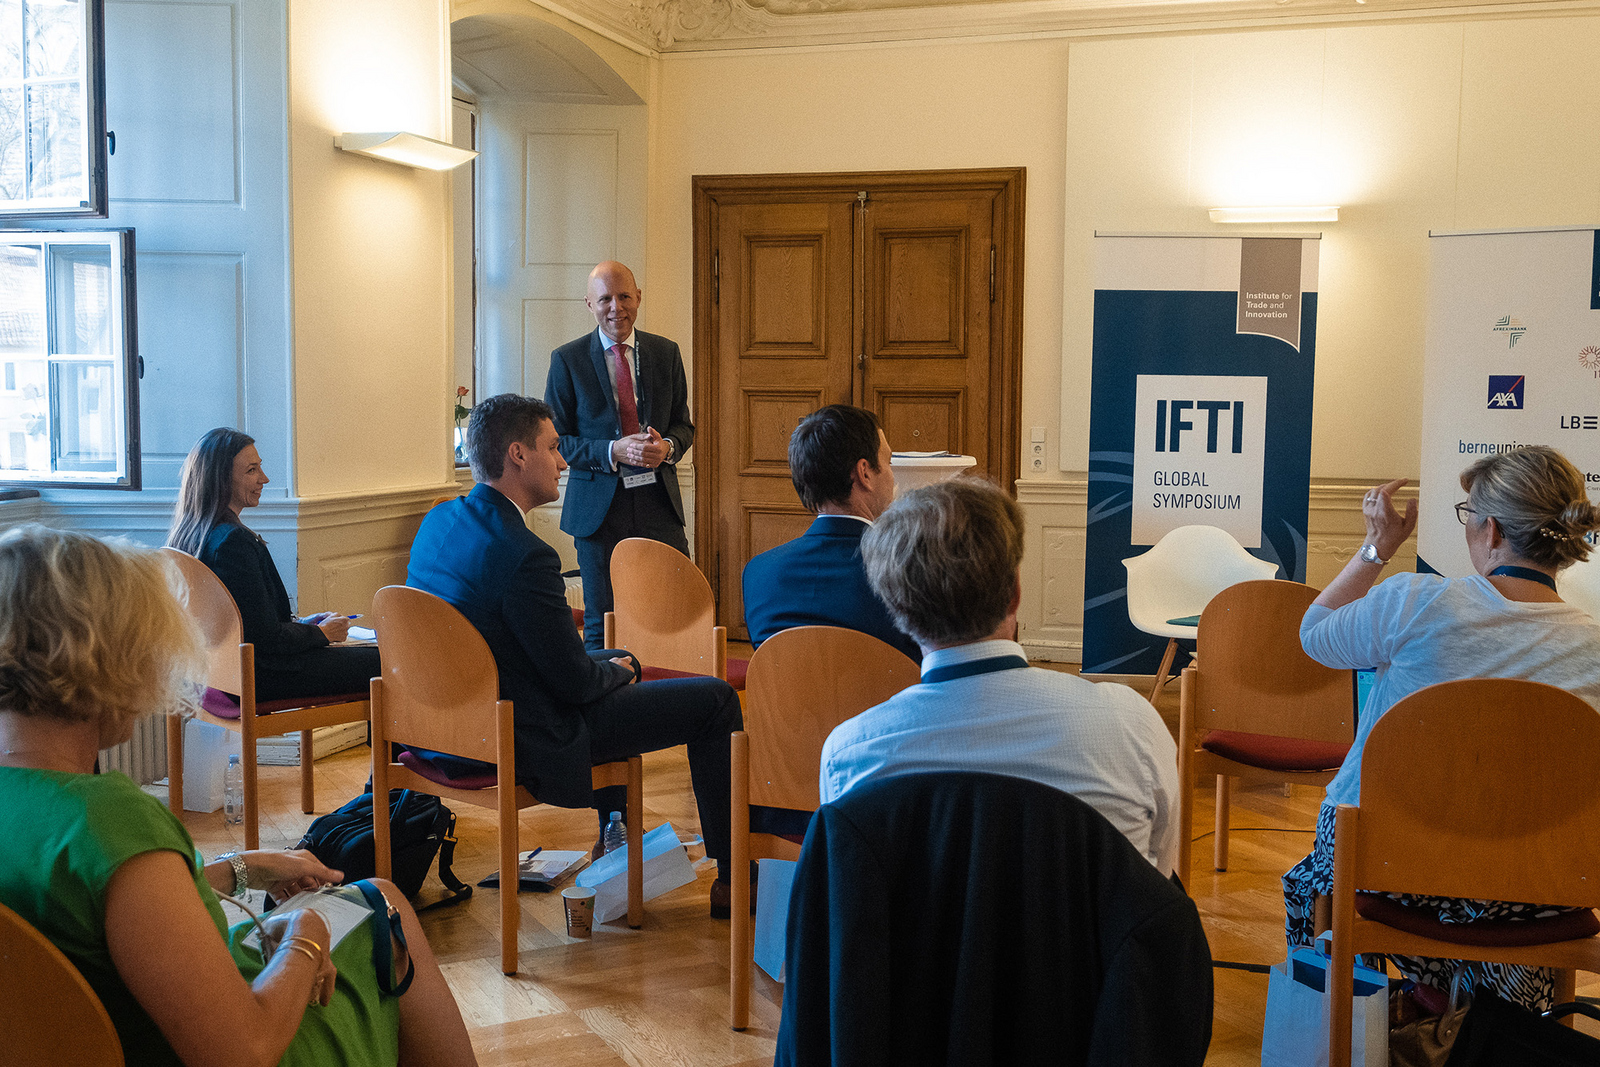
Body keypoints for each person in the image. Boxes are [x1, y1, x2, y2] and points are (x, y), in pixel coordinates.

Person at [0, 524, 476, 1067]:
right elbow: (243, 1052)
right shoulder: (109, 819)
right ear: (111, 660)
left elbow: (87, 909)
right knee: (381, 905)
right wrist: (305, 936)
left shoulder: (52, 816)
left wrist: (242, 869)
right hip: (207, 1042)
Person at [1286, 445, 1600, 1011]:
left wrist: (1378, 547)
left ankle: (1370, 1014)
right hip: (1533, 880)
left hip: (1387, 863)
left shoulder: (1414, 603)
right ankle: (1482, 1017)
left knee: (1320, 870)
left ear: (1491, 529)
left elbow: (1314, 635)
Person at [406, 394, 745, 915]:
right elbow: (576, 684)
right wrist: (619, 672)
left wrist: (612, 667)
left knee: (615, 656)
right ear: (518, 454)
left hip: (440, 727)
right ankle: (734, 878)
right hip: (520, 734)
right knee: (715, 699)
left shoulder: (440, 522)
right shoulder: (524, 555)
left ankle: (613, 831)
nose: (563, 462)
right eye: (552, 447)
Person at [818, 477, 1181, 875]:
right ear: (1015, 593)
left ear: (896, 609)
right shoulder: (1132, 728)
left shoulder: (851, 757)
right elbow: (1159, 887)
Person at [545, 260, 694, 650]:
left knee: (673, 616)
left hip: (658, 506)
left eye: (624, 296)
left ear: (638, 297)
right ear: (589, 304)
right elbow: (556, 440)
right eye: (605, 299)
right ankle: (602, 691)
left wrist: (667, 448)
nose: (616, 308)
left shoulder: (666, 353)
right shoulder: (567, 360)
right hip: (598, 515)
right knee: (603, 622)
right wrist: (613, 450)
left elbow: (684, 426)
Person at [168, 428, 379, 703]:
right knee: (390, 660)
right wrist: (321, 633)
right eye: (251, 470)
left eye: (260, 467)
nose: (264, 479)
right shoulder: (232, 543)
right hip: (260, 676)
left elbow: (248, 623)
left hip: (213, 675)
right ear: (220, 479)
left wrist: (305, 626)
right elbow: (266, 640)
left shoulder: (190, 535)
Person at [741, 404, 921, 663]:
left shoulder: (758, 573)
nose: (894, 478)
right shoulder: (908, 573)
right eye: (889, 462)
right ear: (865, 472)